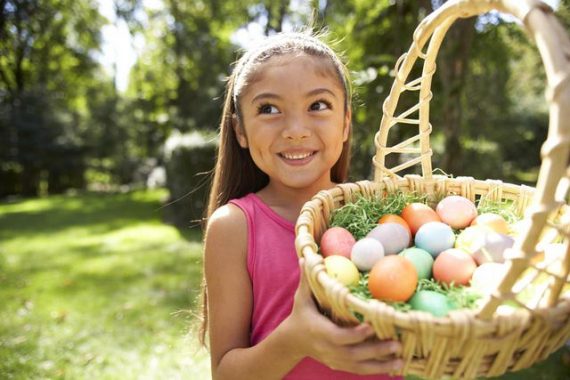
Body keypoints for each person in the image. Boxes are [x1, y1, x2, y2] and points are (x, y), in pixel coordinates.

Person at [200, 30, 403, 380]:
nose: (295, 130)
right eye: (269, 109)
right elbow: (225, 373)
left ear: (345, 123)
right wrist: (295, 340)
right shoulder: (235, 227)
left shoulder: (376, 212)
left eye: (318, 105)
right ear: (240, 131)